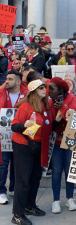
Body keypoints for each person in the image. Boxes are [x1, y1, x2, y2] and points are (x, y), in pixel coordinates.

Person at [11, 79, 53, 225]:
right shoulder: (25, 105)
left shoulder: (44, 104)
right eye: (41, 88)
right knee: (23, 181)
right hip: (23, 146)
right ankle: (17, 214)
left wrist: (58, 120)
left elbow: (48, 125)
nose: (44, 90)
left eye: (44, 87)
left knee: (35, 178)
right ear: (34, 91)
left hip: (37, 146)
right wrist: (24, 124)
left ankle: (29, 206)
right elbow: (14, 126)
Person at [48, 77, 76, 214]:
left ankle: (70, 198)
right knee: (56, 171)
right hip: (56, 142)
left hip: (70, 141)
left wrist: (63, 107)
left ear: (61, 90)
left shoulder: (72, 99)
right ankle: (56, 200)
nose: (49, 91)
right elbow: (50, 122)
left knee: (69, 170)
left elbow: (75, 120)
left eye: (52, 89)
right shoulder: (50, 101)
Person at [0, 70, 28, 205]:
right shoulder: (0, 93)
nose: (7, 81)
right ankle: (1, 191)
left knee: (16, 164)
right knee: (3, 163)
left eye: (10, 79)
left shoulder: (27, 94)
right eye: (6, 78)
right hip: (3, 136)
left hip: (18, 135)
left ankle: (13, 188)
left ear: (18, 81)